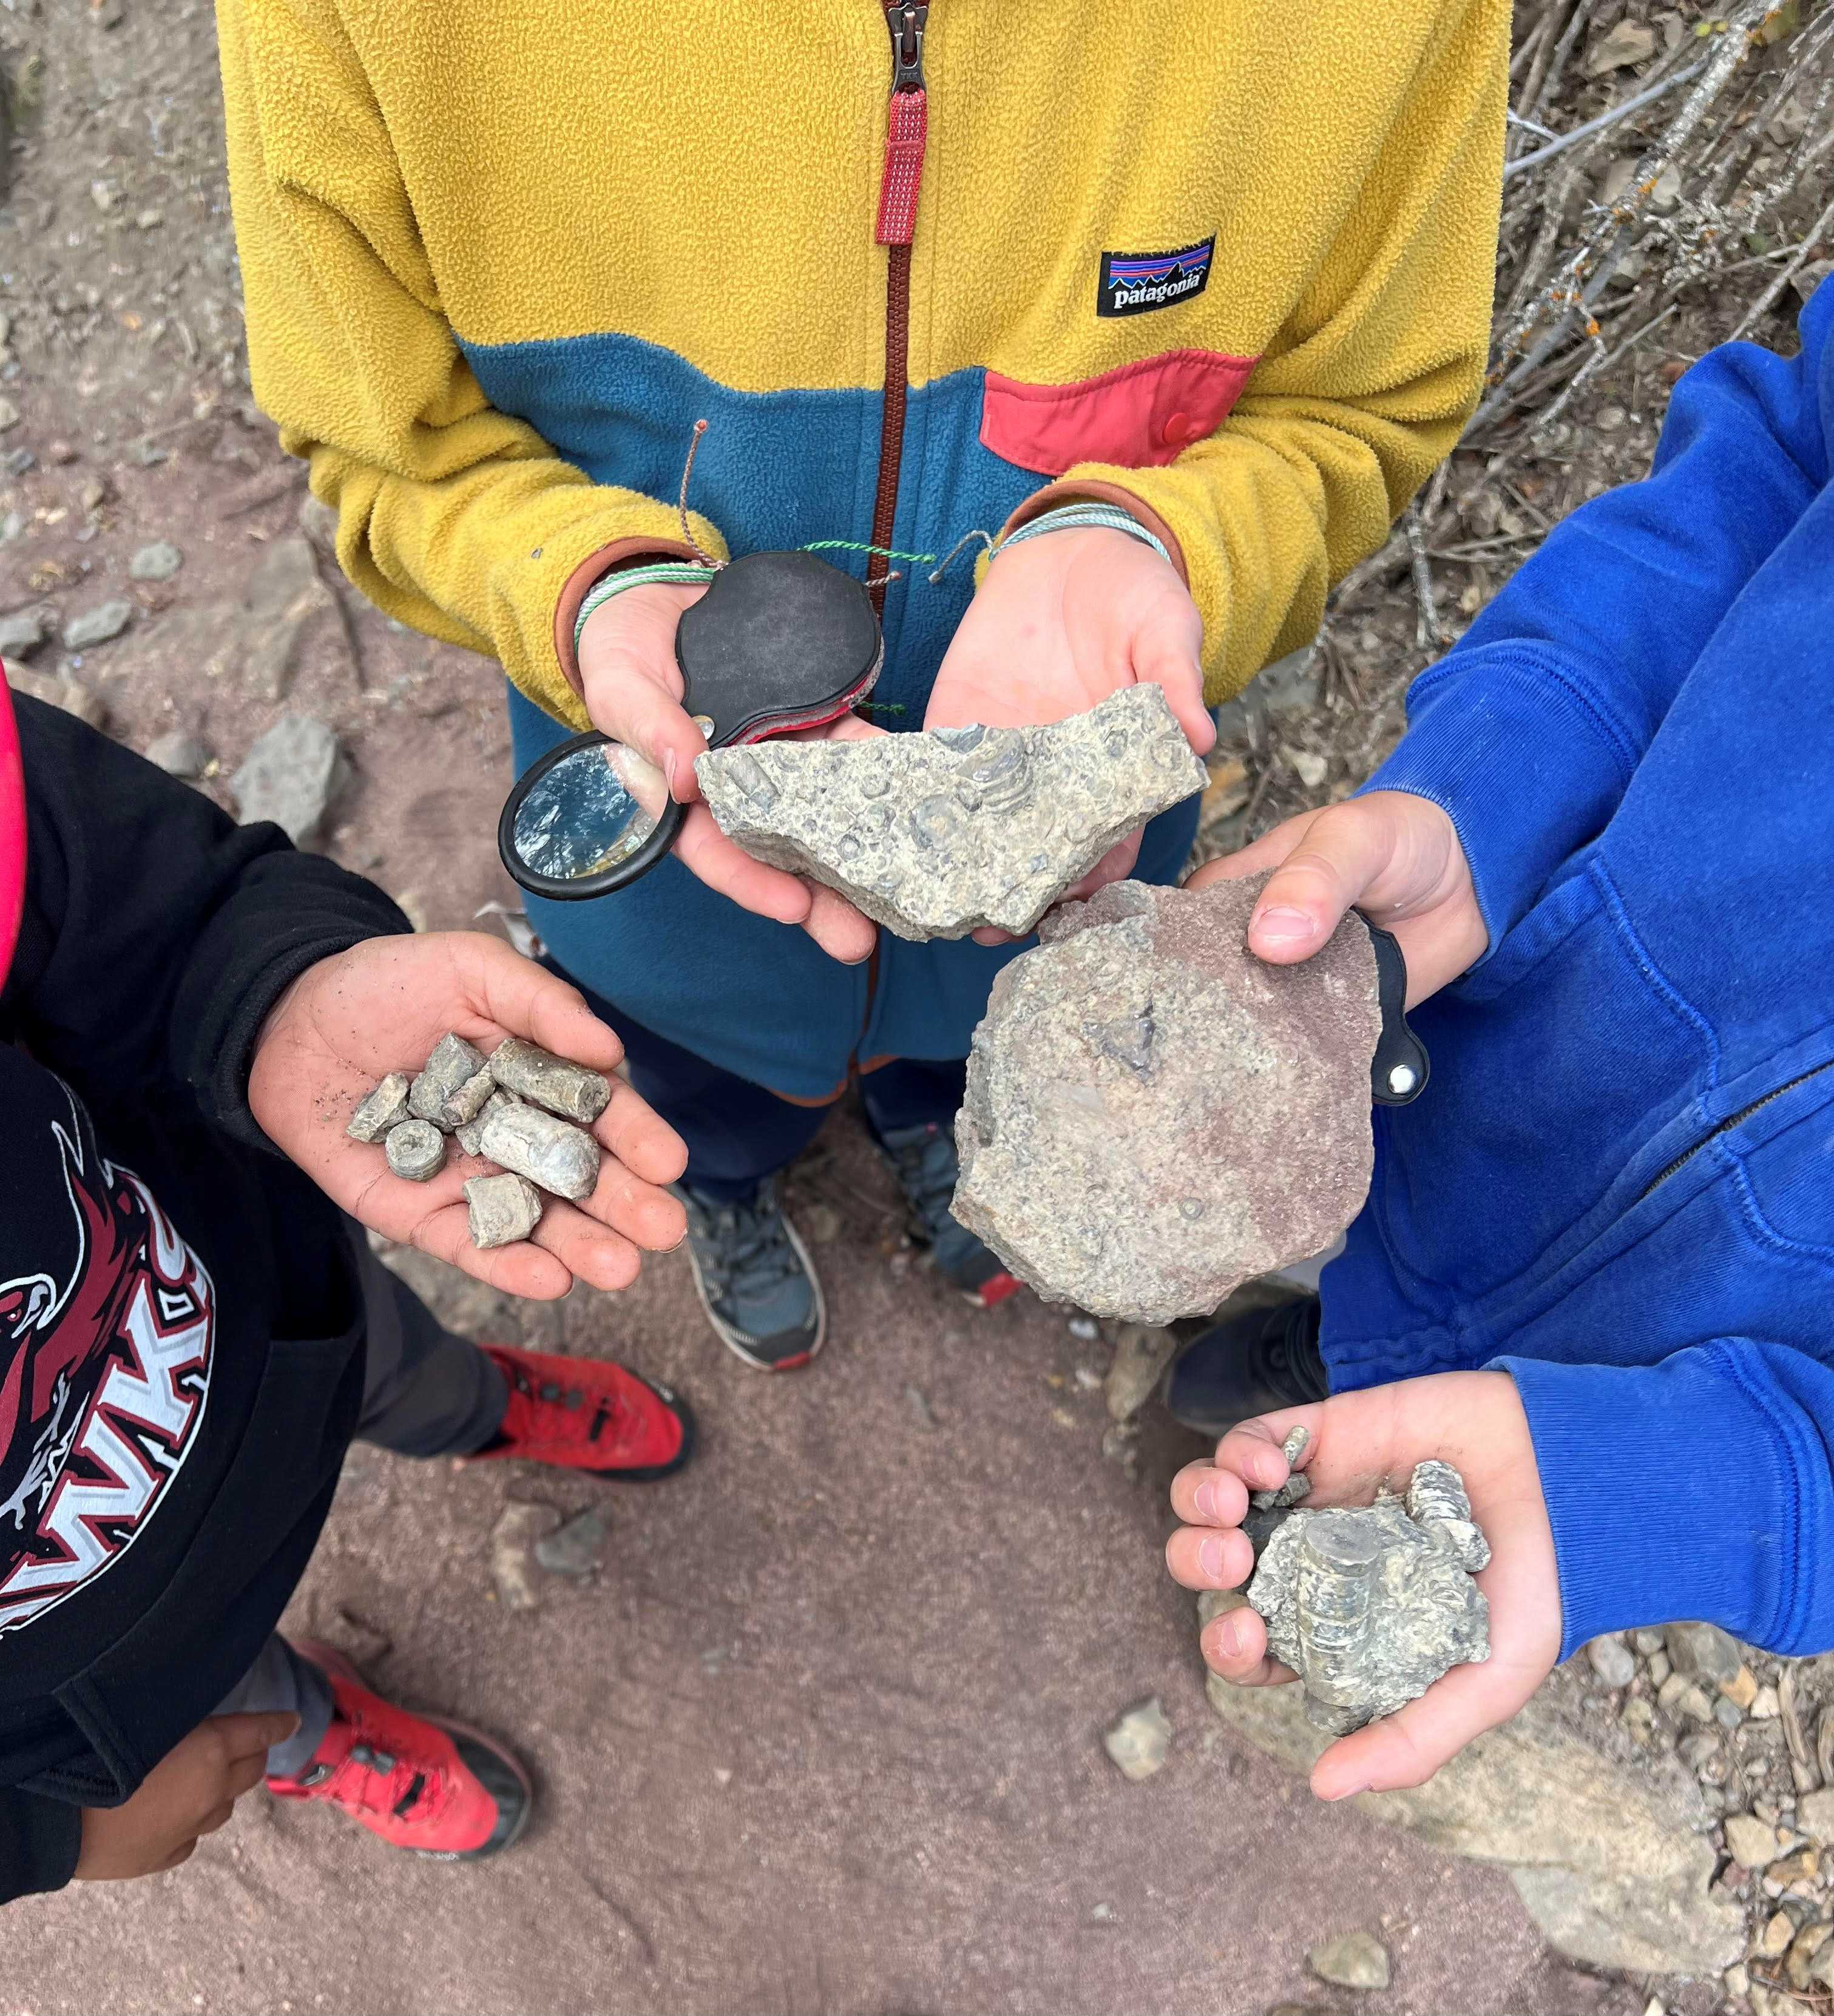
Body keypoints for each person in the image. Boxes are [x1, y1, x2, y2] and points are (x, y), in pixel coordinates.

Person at [214, 0, 1509, 1370]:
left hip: (1052, 877)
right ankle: (729, 1173)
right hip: (671, 869)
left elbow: (1364, 404)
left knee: (973, 1037)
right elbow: (387, 446)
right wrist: (579, 582)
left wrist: (1151, 536)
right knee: (698, 1079)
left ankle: (948, 1126)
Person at [1165, 278, 1834, 1799]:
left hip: (1679, 1378)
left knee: (1364, 1426)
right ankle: (1329, 1329)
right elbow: (1782, 459)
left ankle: (1341, 1368)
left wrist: (1682, 1492)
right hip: (1501, 1059)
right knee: (1373, 1252)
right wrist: (1490, 794)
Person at [0, 686, 696, 1900]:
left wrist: (265, 991)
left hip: (259, 1303)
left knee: (395, 1357)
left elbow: (99, 880)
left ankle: (471, 1405)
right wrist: (43, 1837)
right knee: (232, 1721)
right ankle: (320, 1732)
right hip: (105, 1688)